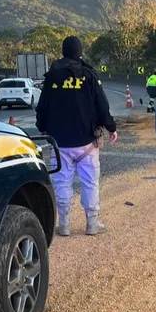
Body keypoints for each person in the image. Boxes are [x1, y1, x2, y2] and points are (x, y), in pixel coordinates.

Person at [36, 36, 118, 236]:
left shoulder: (52, 77)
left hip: (59, 142)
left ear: (63, 51)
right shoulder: (89, 75)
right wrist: (111, 127)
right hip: (86, 141)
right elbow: (102, 105)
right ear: (80, 52)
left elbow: (43, 106)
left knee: (62, 182)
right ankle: (92, 223)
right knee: (90, 182)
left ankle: (64, 225)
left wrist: (42, 127)